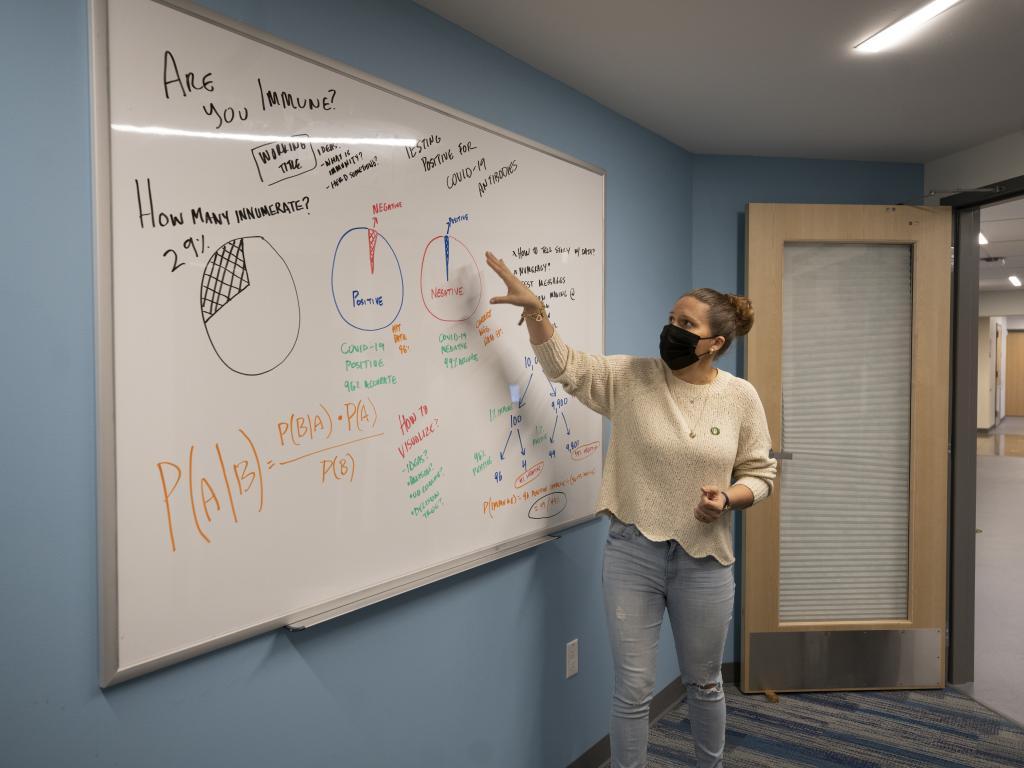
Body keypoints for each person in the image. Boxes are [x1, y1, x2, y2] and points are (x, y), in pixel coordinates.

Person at [485, 251, 777, 768]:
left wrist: (729, 497)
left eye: (686, 324)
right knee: (633, 688)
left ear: (716, 343)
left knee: (704, 682)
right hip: (632, 553)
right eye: (670, 320)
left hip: (705, 561)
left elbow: (761, 474)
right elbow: (564, 367)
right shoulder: (630, 378)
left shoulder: (740, 397)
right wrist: (535, 310)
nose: (672, 331)